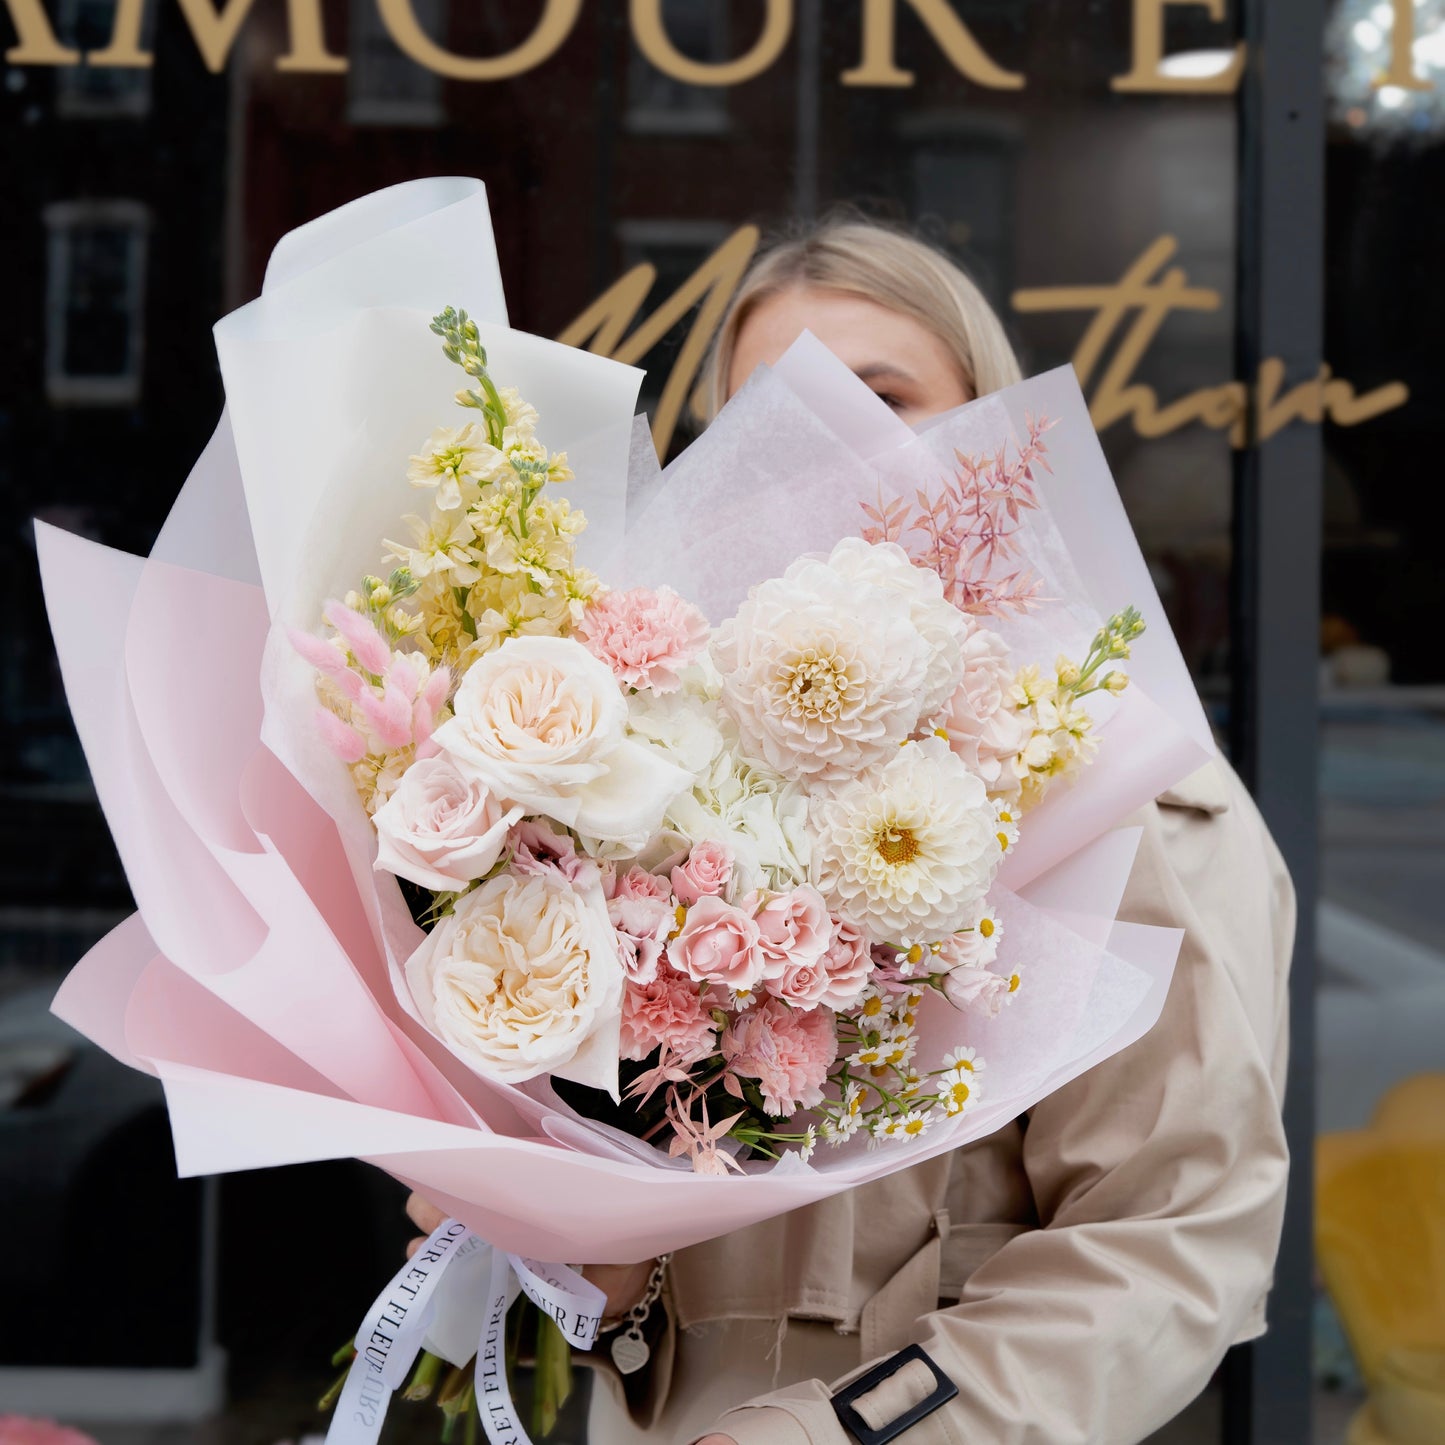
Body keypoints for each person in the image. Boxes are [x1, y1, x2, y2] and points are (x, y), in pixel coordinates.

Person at [407, 217, 1294, 1445]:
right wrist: (594, 1283)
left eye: (881, 398)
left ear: (991, 429)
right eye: (764, 413)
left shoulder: (1122, 792)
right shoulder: (659, 793)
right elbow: (661, 1261)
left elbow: (1174, 1238)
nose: (819, 447)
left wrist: (849, 1432)